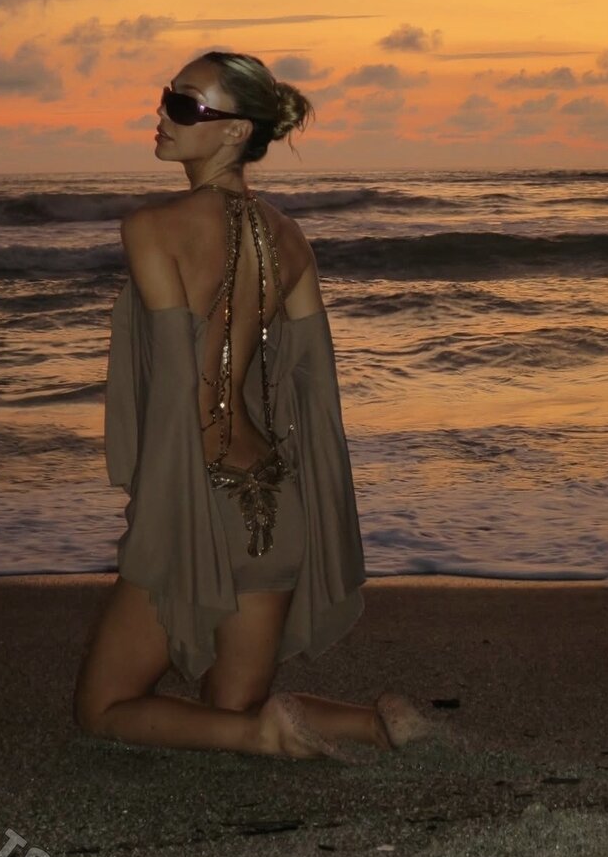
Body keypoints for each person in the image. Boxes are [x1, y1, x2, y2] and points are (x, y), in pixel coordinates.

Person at [73, 51, 432, 760]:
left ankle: (262, 736)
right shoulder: (291, 239)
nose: (162, 114)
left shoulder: (151, 228)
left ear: (237, 131)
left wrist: (165, 514)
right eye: (166, 97)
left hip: (200, 492)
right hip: (276, 499)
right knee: (231, 701)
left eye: (185, 105)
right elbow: (316, 390)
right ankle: (375, 722)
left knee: (102, 708)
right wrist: (316, 506)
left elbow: (180, 390)